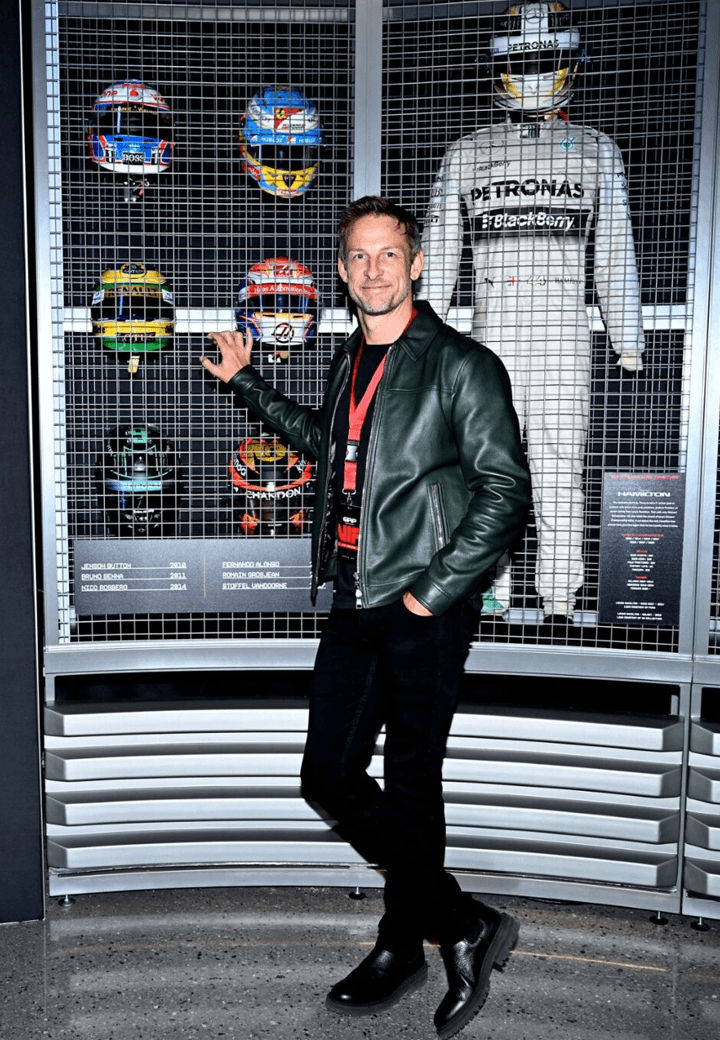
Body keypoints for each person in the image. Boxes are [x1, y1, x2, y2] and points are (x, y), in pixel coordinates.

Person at [201, 196, 530, 1038]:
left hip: (424, 602)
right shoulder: (352, 357)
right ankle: (459, 921)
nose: (373, 270)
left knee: (413, 784)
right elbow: (331, 447)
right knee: (329, 777)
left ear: (415, 264)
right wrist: (246, 384)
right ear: (343, 271)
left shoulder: (462, 364)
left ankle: (401, 943)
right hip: (354, 590)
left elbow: (503, 494)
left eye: (388, 254)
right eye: (358, 256)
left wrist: (431, 591)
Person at [420, 1, 645, 623]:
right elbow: (440, 250)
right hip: (487, 337)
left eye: (544, 59)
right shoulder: (467, 151)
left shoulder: (595, 149)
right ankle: (491, 590)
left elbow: (615, 247)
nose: (533, 70)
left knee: (558, 468)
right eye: (522, 60)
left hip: (562, 336)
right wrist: (423, 335)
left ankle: (559, 598)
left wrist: (627, 335)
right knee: (487, 469)